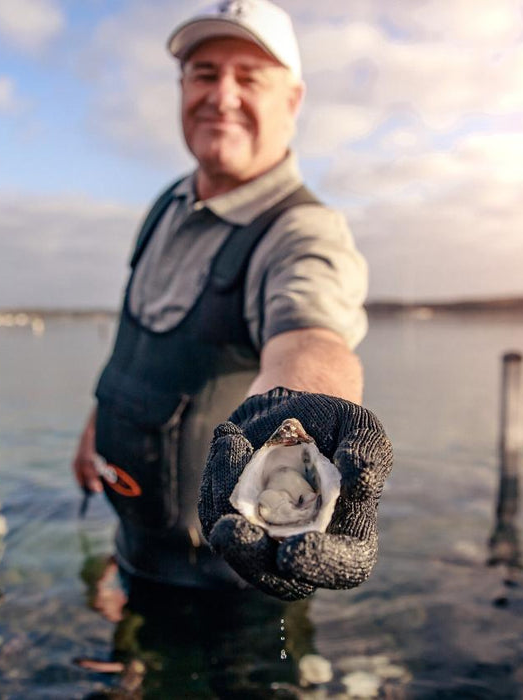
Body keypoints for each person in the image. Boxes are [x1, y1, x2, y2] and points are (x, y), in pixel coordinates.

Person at [72, 0, 392, 603]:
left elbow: (311, 334)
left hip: (229, 583)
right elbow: (135, 341)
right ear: (181, 89)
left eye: (249, 78)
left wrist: (310, 413)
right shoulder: (167, 204)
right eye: (204, 73)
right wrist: (96, 431)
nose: (222, 96)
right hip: (135, 547)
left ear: (293, 102)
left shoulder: (304, 233)